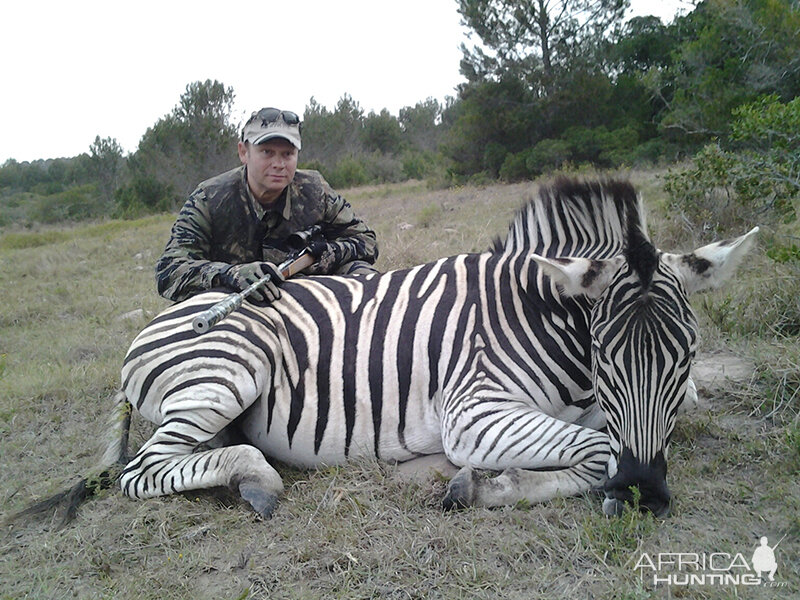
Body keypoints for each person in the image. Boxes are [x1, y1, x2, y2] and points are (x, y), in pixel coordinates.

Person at [155, 106, 379, 303]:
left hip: (307, 293)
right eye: (267, 153)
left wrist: (324, 255)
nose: (279, 164)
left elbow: (366, 241)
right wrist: (230, 274)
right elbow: (169, 270)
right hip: (237, 300)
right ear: (244, 152)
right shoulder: (209, 198)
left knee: (364, 275)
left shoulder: (315, 189)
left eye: (288, 154)